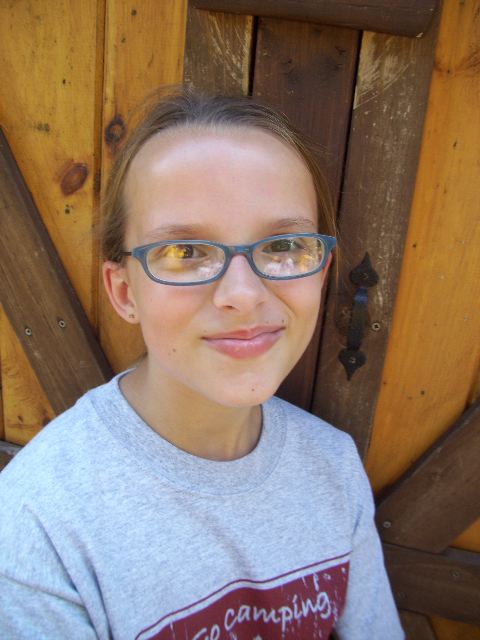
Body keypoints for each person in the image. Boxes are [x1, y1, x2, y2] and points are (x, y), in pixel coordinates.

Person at [0, 88, 404, 639]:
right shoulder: (36, 526)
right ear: (124, 292)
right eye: (184, 251)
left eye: (283, 245)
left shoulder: (332, 466)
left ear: (322, 270)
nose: (243, 295)